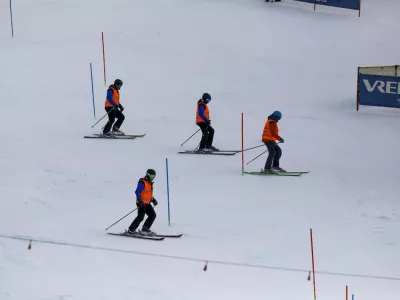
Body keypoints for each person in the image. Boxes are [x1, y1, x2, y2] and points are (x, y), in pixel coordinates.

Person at [127, 169, 158, 236]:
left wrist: (153, 200)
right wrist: (140, 201)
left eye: (154, 177)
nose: (153, 178)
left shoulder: (150, 183)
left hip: (147, 203)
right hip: (141, 203)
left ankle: (145, 229)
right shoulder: (142, 182)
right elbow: (137, 192)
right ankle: (131, 230)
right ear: (148, 175)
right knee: (140, 217)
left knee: (153, 215)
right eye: (152, 176)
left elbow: (148, 194)